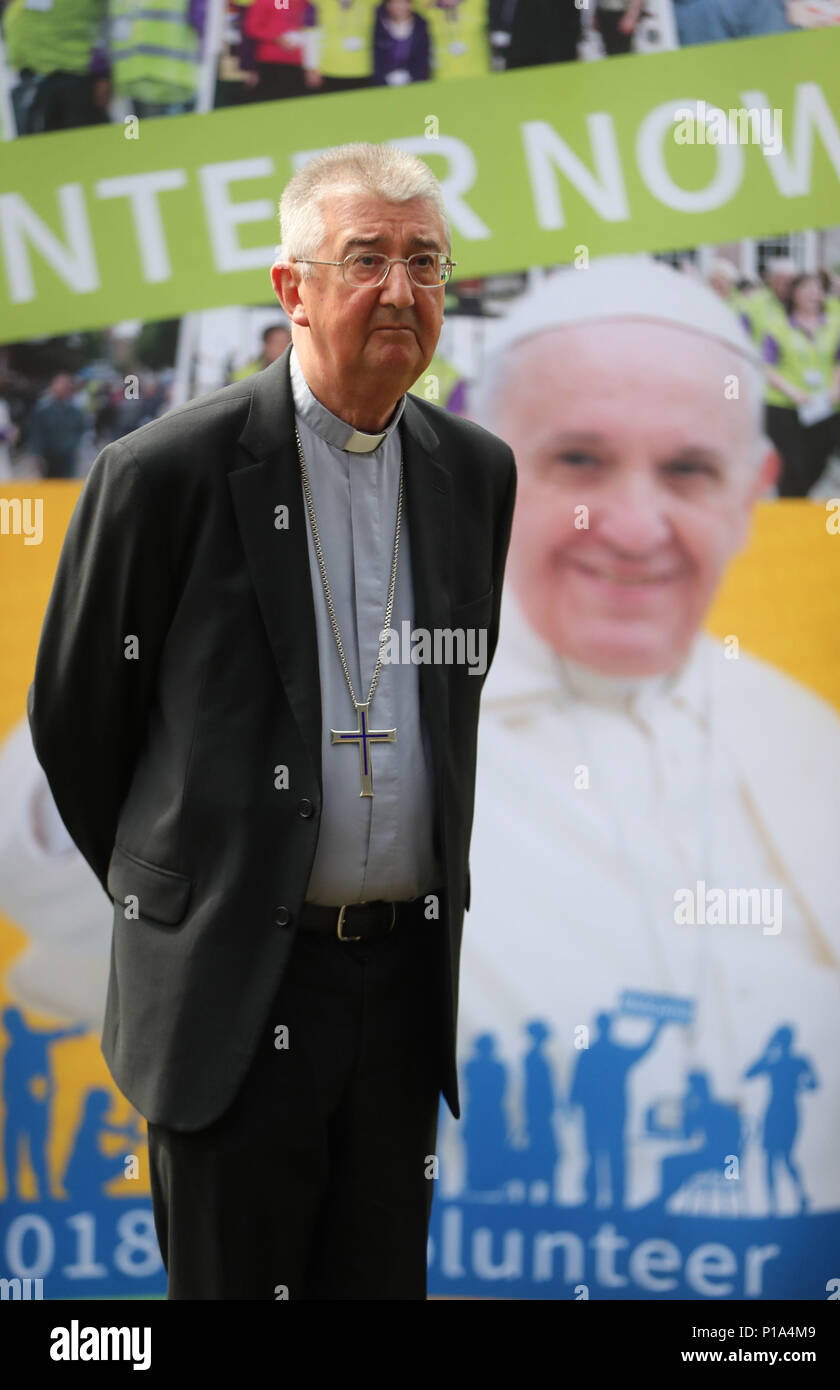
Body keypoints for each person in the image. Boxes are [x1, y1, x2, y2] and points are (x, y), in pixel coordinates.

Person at [26, 140, 517, 1300]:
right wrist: (195, 895)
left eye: (427, 263)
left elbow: (453, 702)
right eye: (366, 261)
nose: (402, 291)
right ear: (290, 289)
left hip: (397, 997)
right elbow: (78, 719)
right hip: (234, 997)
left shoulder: (478, 474)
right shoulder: (166, 474)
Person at [429, 257, 840, 1297]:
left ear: (752, 496)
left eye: (686, 472)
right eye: (576, 460)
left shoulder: (800, 730)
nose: (630, 529)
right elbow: (49, 843)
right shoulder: (343, 708)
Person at [762, 271, 840, 495]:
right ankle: (791, 511)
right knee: (793, 466)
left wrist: (838, 387)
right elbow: (766, 366)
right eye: (806, 288)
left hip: (823, 406)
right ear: (794, 294)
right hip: (784, 407)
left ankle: (796, 501)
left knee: (818, 463)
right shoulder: (778, 326)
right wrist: (793, 391)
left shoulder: (834, 324)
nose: (813, 293)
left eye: (817, 288)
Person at [3, 0, 111, 135]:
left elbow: (103, 27)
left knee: (85, 141)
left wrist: (102, 73)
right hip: (34, 78)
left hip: (73, 76)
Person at [242, 0, 317, 102]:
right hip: (271, 61)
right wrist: (276, 38)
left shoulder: (306, 3)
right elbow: (252, 27)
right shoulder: (265, 2)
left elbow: (313, 28)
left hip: (298, 62)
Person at [26, 373, 88, 479]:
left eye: (65, 387)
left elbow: (81, 429)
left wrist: (73, 444)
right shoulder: (43, 409)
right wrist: (36, 454)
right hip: (48, 456)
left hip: (67, 456)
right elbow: (36, 432)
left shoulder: (75, 411)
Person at [372, 0, 431, 85]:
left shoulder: (420, 25)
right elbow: (378, 57)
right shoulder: (379, 25)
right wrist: (384, 77)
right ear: (388, 5)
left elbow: (423, 57)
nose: (399, 7)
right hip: (385, 83)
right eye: (395, 3)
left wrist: (414, 77)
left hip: (415, 82)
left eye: (404, 3)